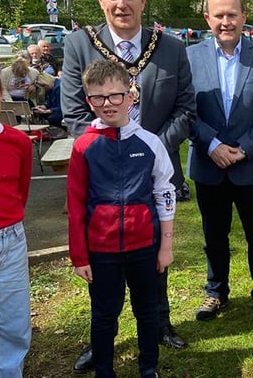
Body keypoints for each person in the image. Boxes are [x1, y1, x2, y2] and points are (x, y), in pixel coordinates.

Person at [61, 0, 194, 371]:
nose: (122, 4)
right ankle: (103, 335)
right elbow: (72, 111)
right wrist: (111, 147)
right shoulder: (79, 45)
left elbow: (186, 109)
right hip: (100, 176)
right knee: (104, 268)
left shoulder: (170, 47)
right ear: (101, 0)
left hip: (151, 170)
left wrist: (148, 148)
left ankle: (159, 325)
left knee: (153, 255)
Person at [68, 59, 175, 378]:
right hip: (101, 252)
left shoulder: (151, 144)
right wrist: (79, 256)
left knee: (147, 311)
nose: (108, 104)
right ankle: (104, 370)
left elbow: (164, 194)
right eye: (98, 98)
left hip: (144, 246)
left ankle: (148, 368)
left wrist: (165, 246)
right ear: (89, 101)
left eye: (115, 95)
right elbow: (75, 205)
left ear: (131, 96)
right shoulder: (83, 146)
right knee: (104, 314)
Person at [186, 0, 253, 327]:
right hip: (207, 163)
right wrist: (212, 145)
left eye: (232, 14)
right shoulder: (191, 57)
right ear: (207, 18)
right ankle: (216, 290)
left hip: (251, 165)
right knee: (214, 235)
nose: (226, 21)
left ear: (243, 17)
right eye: (219, 15)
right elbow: (185, 109)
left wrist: (243, 148)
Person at [0, 70, 33, 377]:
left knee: (13, 316)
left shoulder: (18, 142)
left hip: (11, 238)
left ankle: (9, 372)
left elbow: (21, 189)